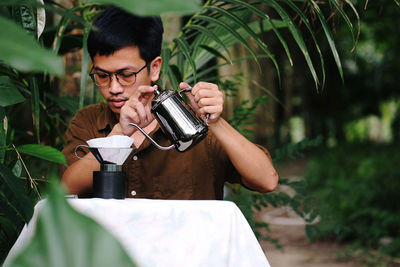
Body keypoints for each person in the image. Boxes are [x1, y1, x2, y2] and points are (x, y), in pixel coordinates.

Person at [61, 6, 278, 199]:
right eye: (102, 76)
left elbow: (266, 181)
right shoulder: (89, 121)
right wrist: (118, 136)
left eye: (126, 75)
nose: (114, 88)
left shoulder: (193, 121)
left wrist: (215, 122)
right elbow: (64, 190)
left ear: (154, 68)